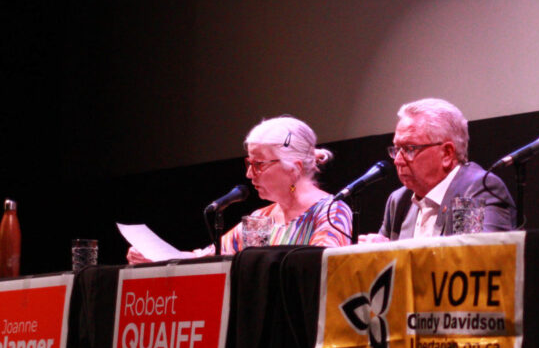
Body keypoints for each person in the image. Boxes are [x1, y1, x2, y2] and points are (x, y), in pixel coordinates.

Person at [127, 115, 351, 263]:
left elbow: (323, 271)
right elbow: (211, 257)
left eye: (259, 165)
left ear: (294, 168)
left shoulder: (331, 213)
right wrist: (159, 257)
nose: (249, 174)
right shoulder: (260, 219)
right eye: (249, 164)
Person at [359, 98, 515, 243]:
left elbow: (469, 260)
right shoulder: (399, 201)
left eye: (409, 148)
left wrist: (394, 254)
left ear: (447, 153)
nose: (398, 160)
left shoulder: (471, 190)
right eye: (397, 149)